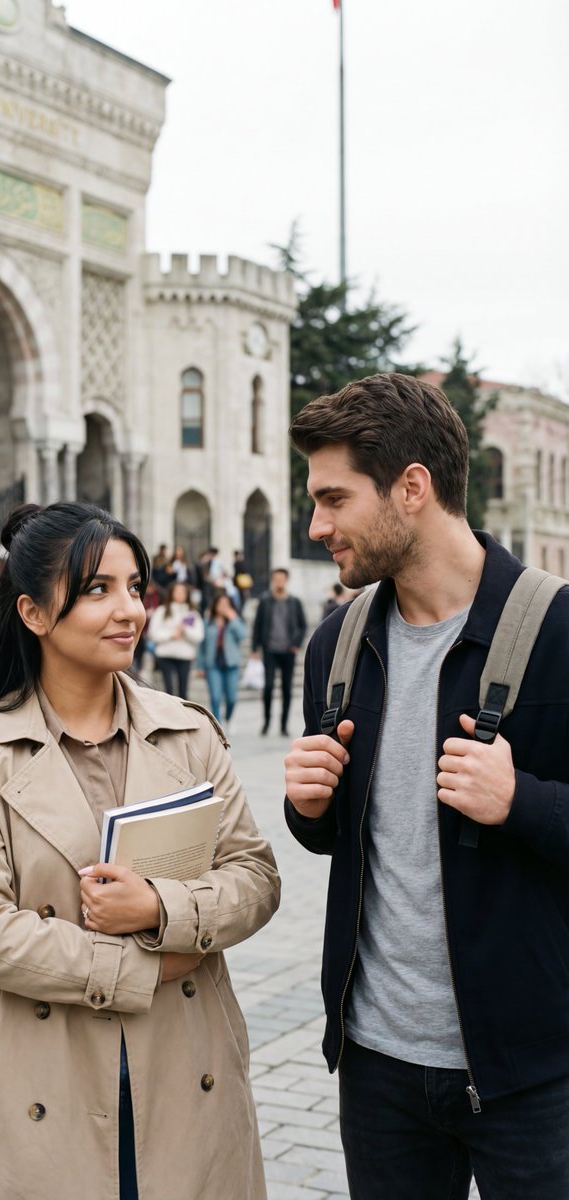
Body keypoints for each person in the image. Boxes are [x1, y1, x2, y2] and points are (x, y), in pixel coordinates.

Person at [0, 501, 280, 1200]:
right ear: (32, 613)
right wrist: (142, 966)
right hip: (35, 1083)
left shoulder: (189, 734)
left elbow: (256, 877)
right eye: (98, 590)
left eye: (134, 586)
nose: (130, 610)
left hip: (186, 1070)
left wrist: (159, 907)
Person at [283, 371, 569, 1200]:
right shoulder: (333, 646)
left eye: (335, 499)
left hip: (534, 1074)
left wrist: (524, 802)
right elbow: (346, 837)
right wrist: (308, 809)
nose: (317, 525)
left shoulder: (558, 630)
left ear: (413, 488)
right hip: (376, 1069)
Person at [251, 568, 307, 737]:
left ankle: (283, 725)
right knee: (268, 687)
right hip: (270, 650)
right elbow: (257, 625)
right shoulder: (265, 600)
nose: (279, 582)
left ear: (286, 580)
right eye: (276, 579)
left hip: (288, 651)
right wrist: (255, 647)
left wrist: (296, 644)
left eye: (282, 579)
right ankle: (267, 721)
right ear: (272, 580)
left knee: (286, 689)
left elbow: (302, 625)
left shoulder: (294, 602)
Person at [148, 579, 204, 698]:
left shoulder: (192, 613)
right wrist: (171, 635)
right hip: (166, 655)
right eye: (177, 591)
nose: (180, 594)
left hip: (185, 656)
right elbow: (153, 633)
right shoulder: (162, 611)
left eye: (183, 592)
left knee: (183, 691)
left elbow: (199, 636)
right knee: (168, 690)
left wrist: (185, 631)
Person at [203, 590, 247, 729]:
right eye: (220, 604)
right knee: (215, 698)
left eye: (226, 604)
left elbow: (243, 635)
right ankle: (218, 726)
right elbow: (201, 645)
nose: (223, 607)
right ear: (215, 606)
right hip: (213, 664)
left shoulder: (234, 621)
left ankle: (228, 718)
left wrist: (234, 619)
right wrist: (200, 665)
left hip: (231, 664)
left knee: (231, 699)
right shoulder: (208, 622)